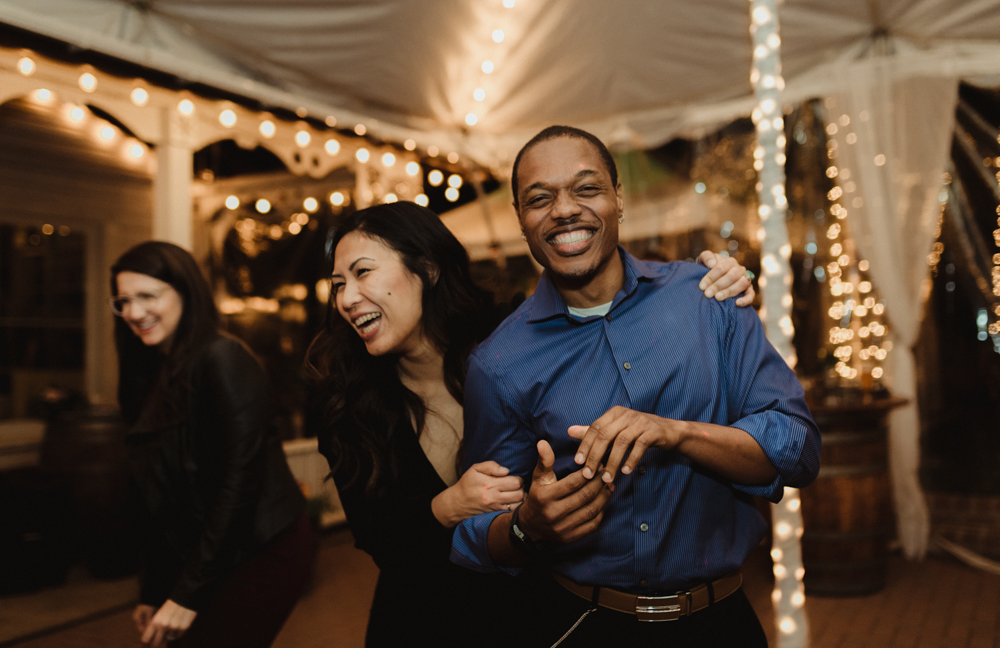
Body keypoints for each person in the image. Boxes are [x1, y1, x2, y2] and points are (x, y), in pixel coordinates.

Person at [306, 201, 754, 646]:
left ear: (427, 268)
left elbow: (612, 311)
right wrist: (450, 505)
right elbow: (377, 540)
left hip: (537, 617)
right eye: (337, 284)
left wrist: (707, 281)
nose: (346, 299)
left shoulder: (516, 340)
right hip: (426, 620)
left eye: (362, 273)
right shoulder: (343, 402)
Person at [451, 126, 822, 647]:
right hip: (586, 624)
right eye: (540, 198)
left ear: (617, 199)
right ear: (520, 218)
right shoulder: (498, 364)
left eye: (586, 188)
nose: (564, 210)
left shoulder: (707, 299)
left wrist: (676, 432)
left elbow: (798, 448)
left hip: (721, 624)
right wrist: (528, 525)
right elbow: (472, 536)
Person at [111, 241, 314, 648]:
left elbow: (240, 483)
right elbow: (162, 497)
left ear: (185, 291)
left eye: (148, 296)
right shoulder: (151, 371)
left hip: (263, 546)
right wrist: (155, 590)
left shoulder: (222, 358)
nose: (134, 312)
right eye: (123, 301)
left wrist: (186, 595)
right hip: (210, 547)